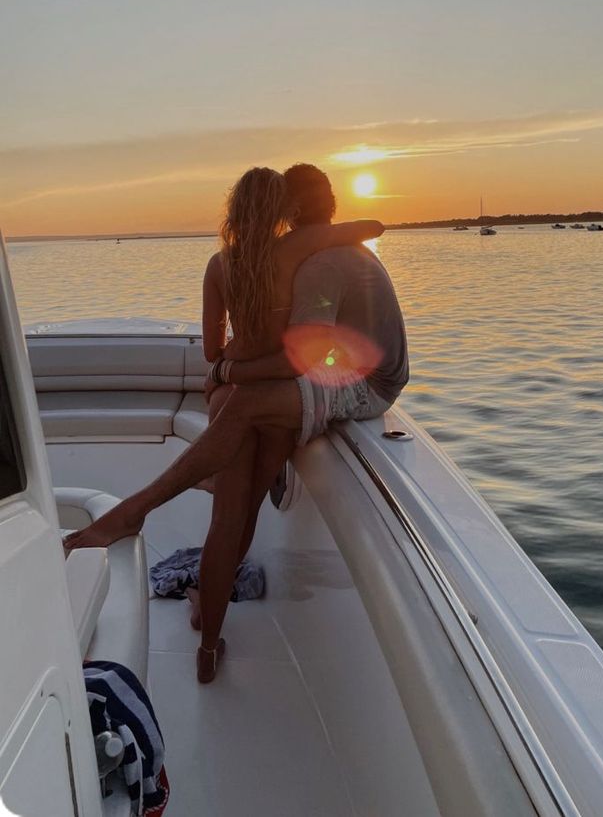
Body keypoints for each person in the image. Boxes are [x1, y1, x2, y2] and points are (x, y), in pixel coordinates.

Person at [64, 163, 409, 683]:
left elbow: (213, 350)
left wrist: (226, 367)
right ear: (284, 212)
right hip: (272, 398)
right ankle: (205, 639)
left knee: (228, 515)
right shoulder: (294, 257)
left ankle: (152, 523)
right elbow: (369, 230)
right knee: (243, 513)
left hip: (244, 394)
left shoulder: (222, 264)